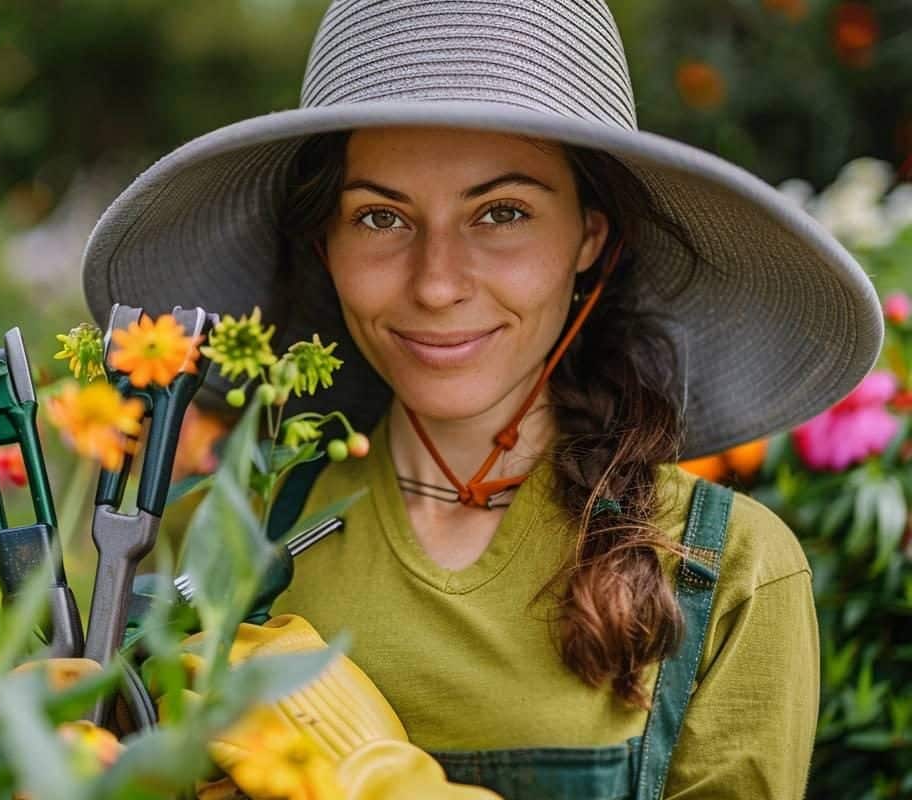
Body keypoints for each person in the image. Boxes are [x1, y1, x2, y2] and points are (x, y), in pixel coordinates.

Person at [80, 1, 883, 798]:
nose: (435, 283)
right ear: (325, 243)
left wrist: (381, 782)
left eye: (502, 213)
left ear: (590, 238)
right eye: (380, 216)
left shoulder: (721, 571)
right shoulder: (217, 543)